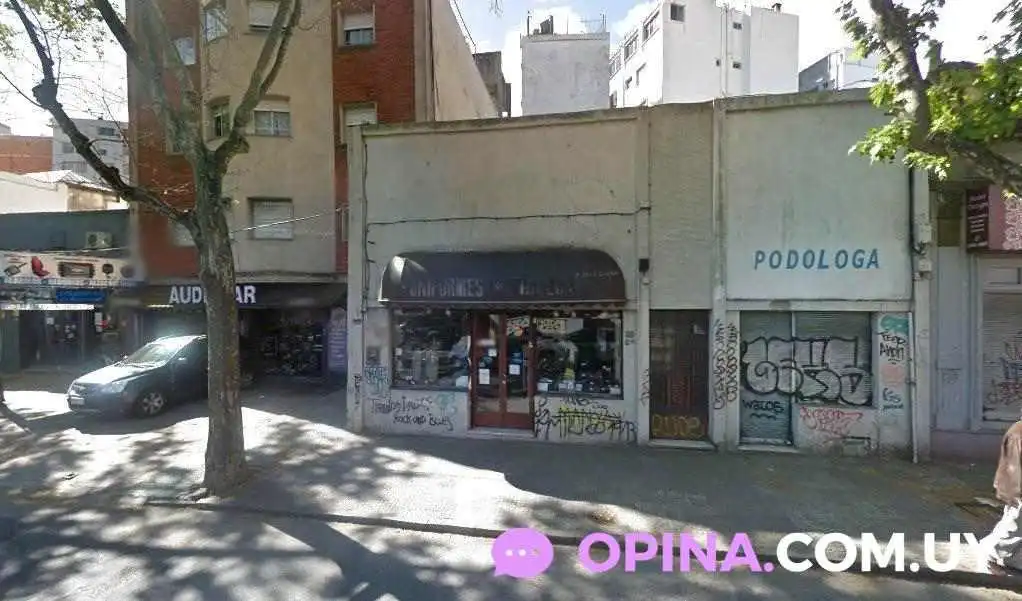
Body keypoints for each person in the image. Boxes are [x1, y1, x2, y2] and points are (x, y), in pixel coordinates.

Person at [979, 418, 1022, 576]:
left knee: (1013, 522)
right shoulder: (1018, 433)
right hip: (1018, 489)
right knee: (1014, 525)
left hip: (1015, 488)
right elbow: (1015, 468)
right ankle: (992, 554)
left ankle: (998, 554)